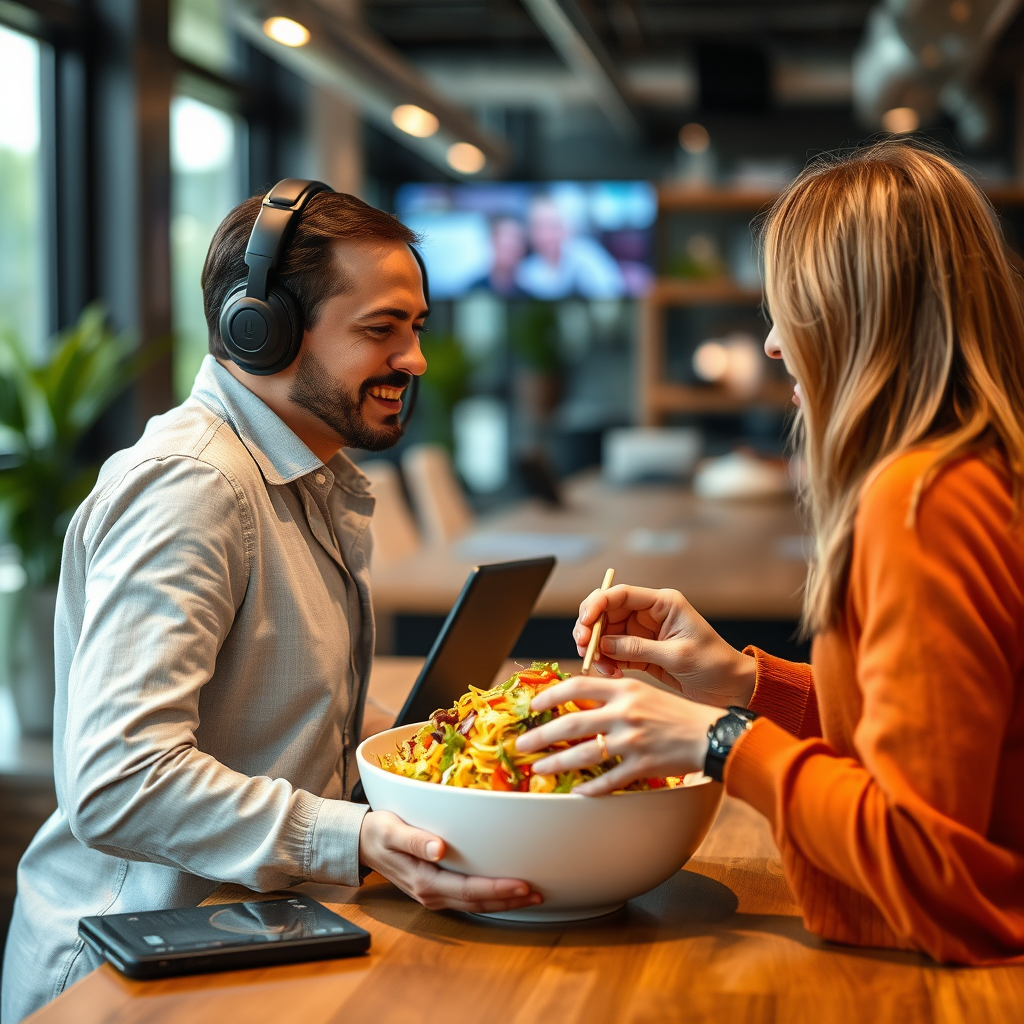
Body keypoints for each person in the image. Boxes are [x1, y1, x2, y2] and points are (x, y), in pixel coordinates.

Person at [2, 184, 538, 1024]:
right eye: (379, 329)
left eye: (416, 327)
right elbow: (116, 780)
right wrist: (355, 837)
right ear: (262, 330)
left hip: (254, 933)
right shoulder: (193, 488)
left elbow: (280, 715)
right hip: (121, 975)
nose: (415, 360)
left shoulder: (301, 477)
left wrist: (451, 741)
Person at [517, 143, 1024, 964]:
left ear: (858, 320)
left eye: (792, 310)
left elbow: (930, 861)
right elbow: (947, 741)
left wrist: (718, 741)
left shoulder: (920, 504)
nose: (773, 346)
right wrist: (747, 686)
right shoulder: (979, 474)